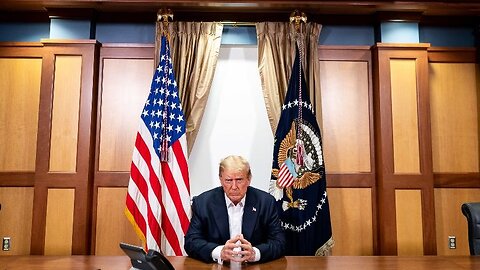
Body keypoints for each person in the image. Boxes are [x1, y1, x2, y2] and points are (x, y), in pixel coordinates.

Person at [184, 155, 286, 264]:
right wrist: (219, 252)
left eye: (239, 180)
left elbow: (279, 242)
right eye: (228, 180)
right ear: (221, 180)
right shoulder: (203, 203)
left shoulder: (265, 202)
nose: (234, 186)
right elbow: (191, 242)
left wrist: (254, 253)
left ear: (249, 179)